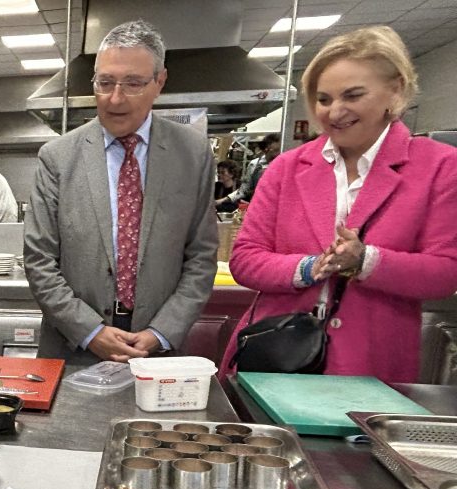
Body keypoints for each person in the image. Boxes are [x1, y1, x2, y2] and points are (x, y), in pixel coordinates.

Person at [220, 26, 457, 384]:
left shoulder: (439, 167)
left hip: (371, 366)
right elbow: (246, 258)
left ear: (395, 89)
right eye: (324, 98)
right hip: (276, 359)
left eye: (353, 95)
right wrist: (309, 267)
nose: (335, 111)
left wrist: (366, 261)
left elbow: (445, 272)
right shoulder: (287, 167)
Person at [24, 19, 218, 364]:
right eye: (105, 82)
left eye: (133, 83)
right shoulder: (58, 157)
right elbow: (39, 260)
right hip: (73, 349)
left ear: (159, 82)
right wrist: (90, 331)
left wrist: (160, 333)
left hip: (158, 355)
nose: (115, 98)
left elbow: (201, 257)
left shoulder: (193, 154)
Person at [217, 134, 280, 210]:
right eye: (277, 150)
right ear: (266, 149)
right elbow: (244, 189)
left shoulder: (283, 164)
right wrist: (223, 200)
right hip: (260, 208)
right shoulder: (254, 164)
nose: (280, 152)